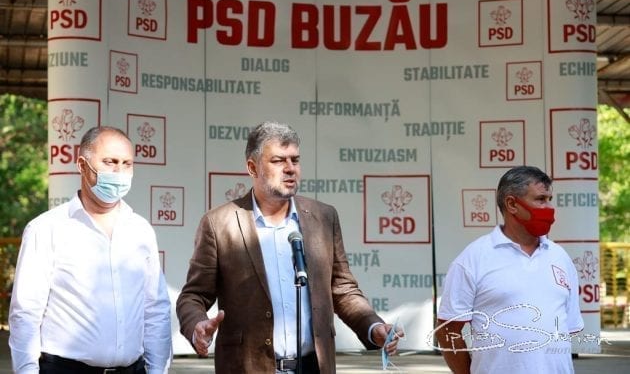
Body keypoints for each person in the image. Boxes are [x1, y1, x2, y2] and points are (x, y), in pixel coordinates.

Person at [176, 121, 402, 374]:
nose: (290, 168)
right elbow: (193, 296)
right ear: (252, 167)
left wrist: (373, 327)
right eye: (278, 161)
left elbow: (343, 289)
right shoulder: (219, 223)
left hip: (313, 366)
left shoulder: (324, 217)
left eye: (295, 160)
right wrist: (196, 325)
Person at [9, 126, 172, 374]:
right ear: (82, 166)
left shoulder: (141, 230)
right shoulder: (46, 229)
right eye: (110, 162)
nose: (119, 172)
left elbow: (155, 309)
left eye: (127, 164)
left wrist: (157, 369)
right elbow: (26, 313)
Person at [434, 165, 584, 374]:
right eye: (540, 199)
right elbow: (447, 331)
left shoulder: (560, 257)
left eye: (550, 199)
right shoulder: (473, 259)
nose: (549, 207)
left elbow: (568, 328)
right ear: (512, 204)